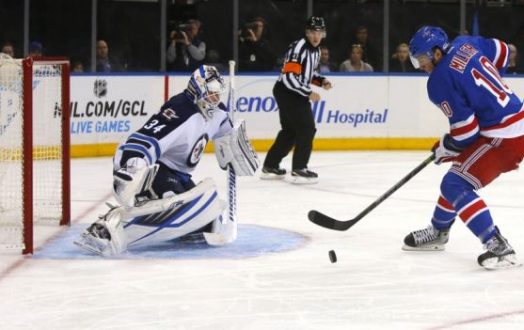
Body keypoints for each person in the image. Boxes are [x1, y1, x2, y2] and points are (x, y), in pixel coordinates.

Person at [75, 65, 259, 256]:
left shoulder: (218, 113)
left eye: (218, 94)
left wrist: (237, 148)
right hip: (157, 171)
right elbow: (147, 137)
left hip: (181, 176)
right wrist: (133, 163)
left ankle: (166, 225)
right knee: (176, 207)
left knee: (207, 219)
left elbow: (227, 138)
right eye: (211, 93)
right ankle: (105, 228)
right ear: (198, 88)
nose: (216, 99)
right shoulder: (180, 110)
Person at [403, 26, 524, 270]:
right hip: (515, 122)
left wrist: (446, 147)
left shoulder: (438, 81)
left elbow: (466, 132)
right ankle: (439, 231)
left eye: (421, 59)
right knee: (458, 172)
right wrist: (488, 94)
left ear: (437, 54)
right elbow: (504, 51)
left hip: (504, 137)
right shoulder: (466, 43)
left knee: (454, 184)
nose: (420, 65)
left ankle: (498, 246)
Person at [260, 16, 332, 184]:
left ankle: (270, 165)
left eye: (319, 32)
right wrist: (308, 93)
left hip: (291, 92)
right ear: (307, 33)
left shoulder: (317, 50)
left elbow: (307, 74)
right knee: (307, 129)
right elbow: (289, 77)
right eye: (313, 32)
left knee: (290, 131)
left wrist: (321, 82)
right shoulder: (298, 48)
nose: (316, 36)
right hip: (288, 92)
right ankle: (299, 168)